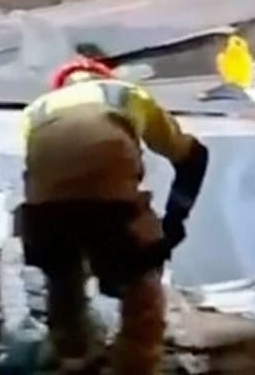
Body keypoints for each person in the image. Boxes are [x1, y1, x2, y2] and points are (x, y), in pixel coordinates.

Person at [17, 57, 210, 375]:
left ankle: (73, 359)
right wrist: (175, 222)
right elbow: (189, 154)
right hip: (112, 208)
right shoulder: (124, 93)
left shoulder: (34, 111)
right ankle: (135, 364)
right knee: (142, 290)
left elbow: (42, 168)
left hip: (42, 213)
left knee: (63, 283)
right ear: (101, 75)